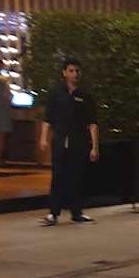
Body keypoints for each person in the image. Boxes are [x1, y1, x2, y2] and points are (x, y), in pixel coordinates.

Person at [39, 57, 99, 225]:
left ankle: (77, 212)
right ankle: (53, 213)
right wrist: (43, 138)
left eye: (77, 71)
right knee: (57, 176)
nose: (75, 74)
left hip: (78, 141)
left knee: (76, 177)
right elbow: (48, 118)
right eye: (71, 71)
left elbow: (92, 123)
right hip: (59, 140)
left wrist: (94, 146)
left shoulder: (85, 96)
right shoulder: (56, 93)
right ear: (64, 73)